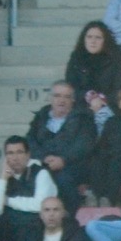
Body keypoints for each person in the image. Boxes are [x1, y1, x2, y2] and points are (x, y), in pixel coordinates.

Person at [27, 84, 97, 212]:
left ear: (73, 100)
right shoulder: (41, 117)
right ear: (50, 98)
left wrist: (63, 160)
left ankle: (70, 219)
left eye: (67, 96)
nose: (62, 100)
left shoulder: (84, 118)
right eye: (57, 96)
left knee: (62, 178)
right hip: (43, 163)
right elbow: (30, 141)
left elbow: (84, 145)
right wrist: (44, 158)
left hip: (74, 165)